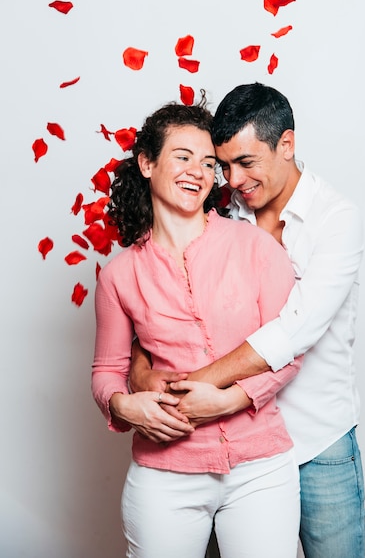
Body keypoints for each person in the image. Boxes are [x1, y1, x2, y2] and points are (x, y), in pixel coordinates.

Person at [130, 83, 365, 558]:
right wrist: (140, 375)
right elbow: (163, 307)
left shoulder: (336, 219)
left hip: (318, 441)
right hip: (239, 449)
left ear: (286, 145)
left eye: (246, 163)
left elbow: (295, 331)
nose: (233, 179)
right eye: (225, 165)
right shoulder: (219, 214)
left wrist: (194, 390)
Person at [91, 98, 303, 558]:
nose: (198, 171)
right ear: (147, 163)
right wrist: (125, 406)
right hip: (164, 475)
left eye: (209, 162)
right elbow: (107, 370)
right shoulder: (118, 276)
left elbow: (291, 348)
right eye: (182, 157)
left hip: (260, 467)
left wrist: (234, 398)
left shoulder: (255, 246)